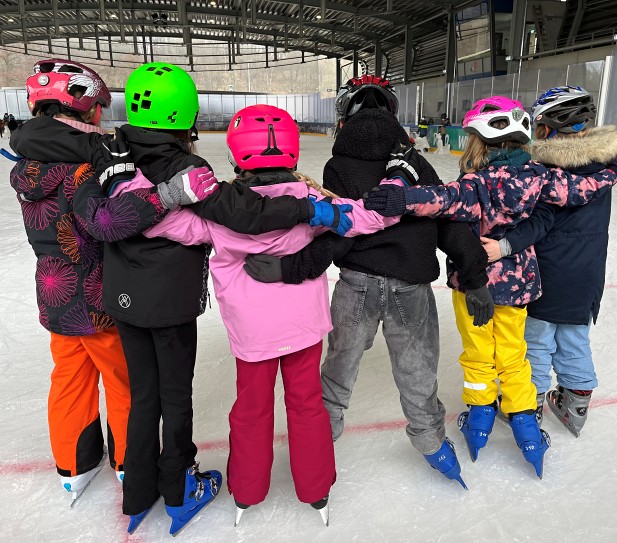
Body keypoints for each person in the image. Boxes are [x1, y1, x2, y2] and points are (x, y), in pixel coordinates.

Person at [70, 62, 354, 536]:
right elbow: (242, 214)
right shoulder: (187, 168)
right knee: (187, 399)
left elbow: (117, 216)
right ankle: (188, 489)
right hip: (179, 304)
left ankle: (145, 493)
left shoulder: (111, 155)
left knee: (147, 397)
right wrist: (311, 208)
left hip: (126, 299)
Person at [116, 104, 403, 526]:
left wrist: (134, 181)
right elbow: (371, 216)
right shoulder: (313, 201)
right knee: (307, 405)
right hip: (303, 328)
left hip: (253, 335)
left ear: (236, 154)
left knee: (252, 409)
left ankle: (248, 490)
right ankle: (316, 488)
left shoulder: (219, 212)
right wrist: (399, 182)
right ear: (292, 152)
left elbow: (156, 223)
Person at [244, 76, 492, 490]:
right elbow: (446, 220)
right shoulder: (413, 162)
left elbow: (341, 231)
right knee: (417, 373)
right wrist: (475, 275)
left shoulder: (339, 166)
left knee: (337, 372)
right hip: (411, 288)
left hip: (357, 284)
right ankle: (434, 446)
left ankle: (316, 449)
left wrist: (291, 268)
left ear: (344, 118)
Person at [363, 96, 617, 478]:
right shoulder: (539, 176)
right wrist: (611, 170)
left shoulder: (475, 183)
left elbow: (442, 199)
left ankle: (480, 418)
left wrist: (402, 198)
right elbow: (576, 191)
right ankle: (528, 431)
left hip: (474, 286)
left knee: (478, 355)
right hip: (518, 285)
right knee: (515, 356)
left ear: (477, 141)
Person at [7, 59, 143, 505]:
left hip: (54, 292)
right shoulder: (85, 166)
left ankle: (73, 466)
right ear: (87, 109)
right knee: (122, 379)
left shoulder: (28, 168)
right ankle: (129, 461)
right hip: (98, 295)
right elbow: (105, 224)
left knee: (69, 378)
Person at [480, 87, 617, 436]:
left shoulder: (544, 170)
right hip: (588, 273)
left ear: (545, 128)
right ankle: (576, 403)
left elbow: (538, 223)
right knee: (575, 336)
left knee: (538, 339)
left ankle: (529, 403)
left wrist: (505, 245)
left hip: (548, 269)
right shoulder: (606, 164)